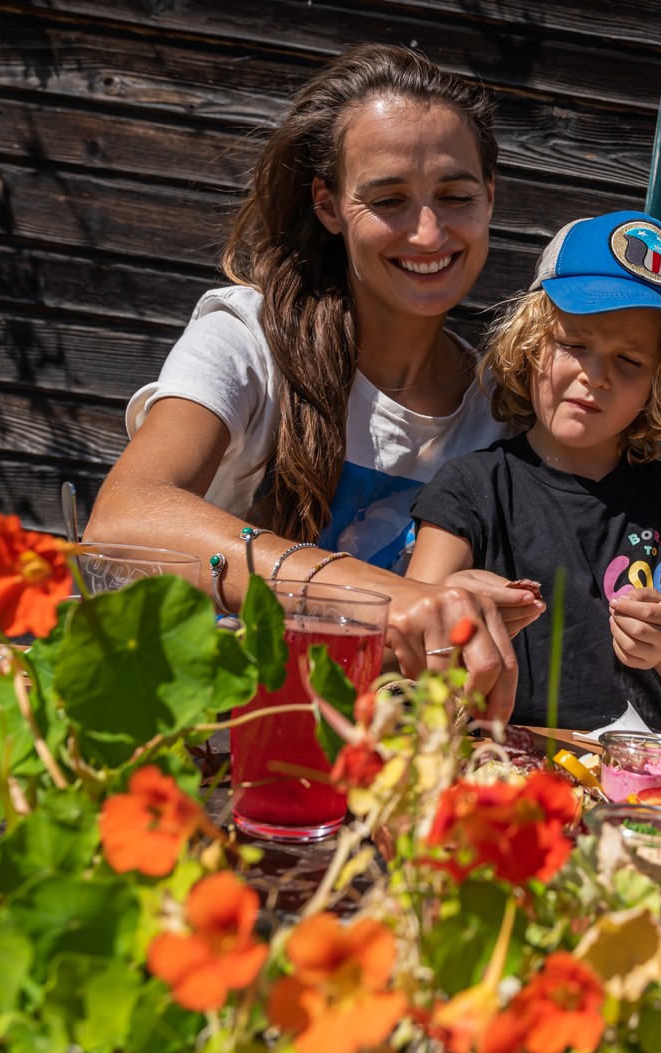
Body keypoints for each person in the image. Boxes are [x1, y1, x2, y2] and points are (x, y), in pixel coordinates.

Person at [85, 44, 527, 716]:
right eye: (389, 199)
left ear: (490, 195)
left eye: (456, 196)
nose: (428, 233)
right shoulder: (246, 337)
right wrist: (372, 593)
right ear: (328, 204)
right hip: (189, 736)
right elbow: (123, 518)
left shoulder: (503, 413)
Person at [408, 211, 661, 732]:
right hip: (496, 758)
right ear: (531, 341)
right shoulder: (470, 488)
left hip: (637, 768)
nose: (595, 375)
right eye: (574, 344)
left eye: (629, 360)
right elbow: (405, 636)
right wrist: (453, 600)